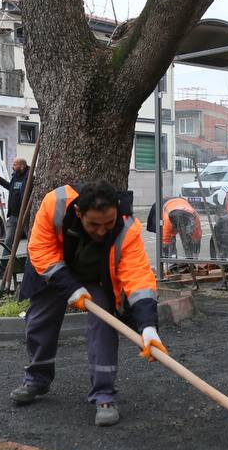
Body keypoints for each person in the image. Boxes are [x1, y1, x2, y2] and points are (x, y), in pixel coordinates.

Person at [11, 180, 166, 427]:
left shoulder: (127, 227)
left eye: (108, 224)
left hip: (95, 276)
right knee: (40, 321)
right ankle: (36, 379)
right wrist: (70, 288)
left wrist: (148, 326)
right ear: (78, 213)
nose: (102, 231)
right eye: (94, 224)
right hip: (52, 269)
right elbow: (40, 250)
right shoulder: (56, 204)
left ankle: (104, 395)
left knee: (104, 322)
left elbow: (138, 277)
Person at [0, 157, 30, 277]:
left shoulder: (29, 177)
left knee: (31, 242)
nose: (13, 166)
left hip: (25, 216)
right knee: (7, 242)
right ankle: (3, 268)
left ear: (22, 166)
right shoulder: (15, 176)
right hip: (13, 216)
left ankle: (30, 267)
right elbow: (10, 187)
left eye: (15, 164)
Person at [145, 196, 202, 261]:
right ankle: (172, 261)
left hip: (180, 201)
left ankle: (188, 259)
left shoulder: (195, 218)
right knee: (171, 239)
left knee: (187, 239)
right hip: (162, 205)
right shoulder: (167, 220)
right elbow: (165, 241)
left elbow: (197, 238)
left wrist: (194, 257)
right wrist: (165, 258)